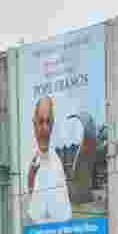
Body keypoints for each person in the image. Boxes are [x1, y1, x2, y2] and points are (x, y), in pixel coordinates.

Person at [26, 96, 72, 224]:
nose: (45, 128)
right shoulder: (26, 160)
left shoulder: (57, 162)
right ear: (34, 123)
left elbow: (65, 215)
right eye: (41, 122)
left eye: (48, 122)